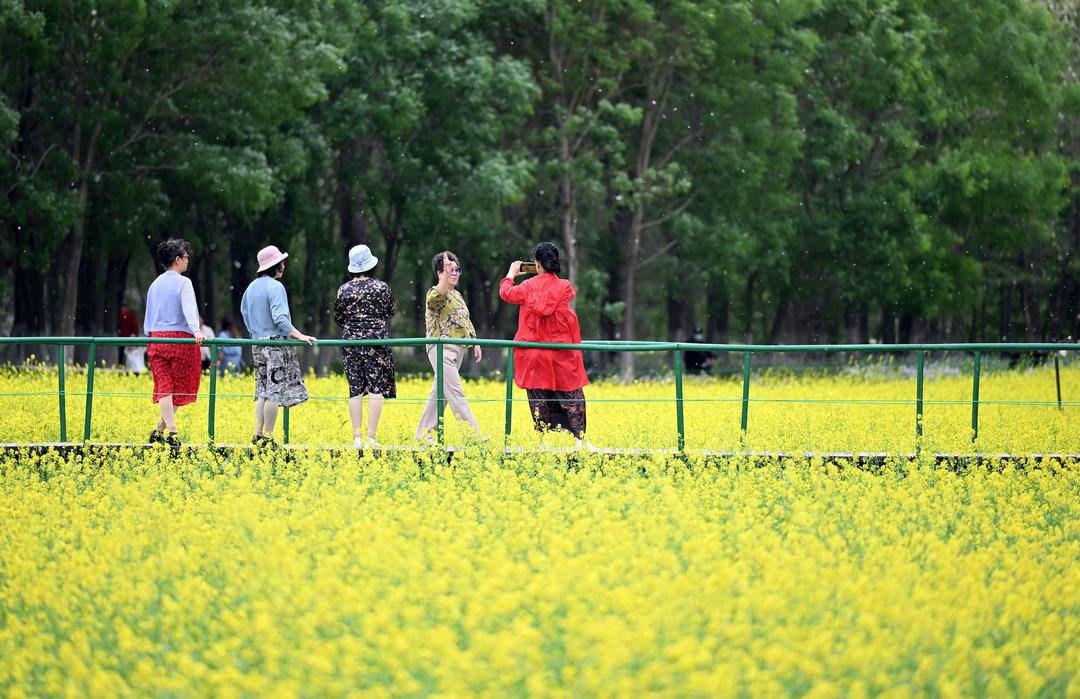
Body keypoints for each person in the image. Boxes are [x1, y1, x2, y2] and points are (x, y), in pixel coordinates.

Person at [498, 242, 590, 443]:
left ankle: (544, 440)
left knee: (539, 396)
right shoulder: (564, 287)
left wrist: (510, 275)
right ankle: (579, 439)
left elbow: (506, 294)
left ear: (537, 264)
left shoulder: (527, 287)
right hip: (561, 351)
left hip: (534, 353)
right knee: (570, 395)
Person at [240, 245, 318, 448]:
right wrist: (299, 335)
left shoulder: (250, 288)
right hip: (275, 345)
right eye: (282, 262)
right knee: (274, 393)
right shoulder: (276, 287)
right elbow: (280, 319)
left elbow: (245, 316)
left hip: (257, 343)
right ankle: (268, 437)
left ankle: (257, 434)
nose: (284, 266)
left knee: (262, 391)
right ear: (275, 266)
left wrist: (257, 333)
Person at [416, 251, 484, 443]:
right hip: (441, 348)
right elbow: (438, 296)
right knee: (455, 390)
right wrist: (445, 277)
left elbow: (464, 319)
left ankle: (423, 434)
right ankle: (473, 435)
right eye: (449, 270)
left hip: (459, 348)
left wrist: (474, 340)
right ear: (439, 273)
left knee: (441, 392)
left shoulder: (458, 295)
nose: (454, 273)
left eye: (457, 270)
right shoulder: (436, 293)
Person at [144, 238, 206, 446]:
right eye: (186, 256)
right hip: (180, 340)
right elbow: (190, 310)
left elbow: (149, 314)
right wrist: (196, 331)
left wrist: (149, 334)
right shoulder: (184, 283)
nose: (188, 259)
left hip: (157, 338)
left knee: (165, 386)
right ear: (177, 260)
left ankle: (159, 430)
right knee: (178, 387)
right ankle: (172, 432)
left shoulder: (155, 284)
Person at [335, 244, 396, 449]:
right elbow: (390, 311)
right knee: (376, 388)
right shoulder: (382, 287)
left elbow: (338, 317)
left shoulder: (343, 289)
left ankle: (357, 438)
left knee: (355, 390)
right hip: (376, 341)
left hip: (350, 341)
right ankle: (371, 437)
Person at [118, 305, 145, 374]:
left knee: (127, 356)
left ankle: (123, 369)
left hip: (126, 337)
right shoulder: (130, 317)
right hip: (127, 337)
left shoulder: (126, 317)